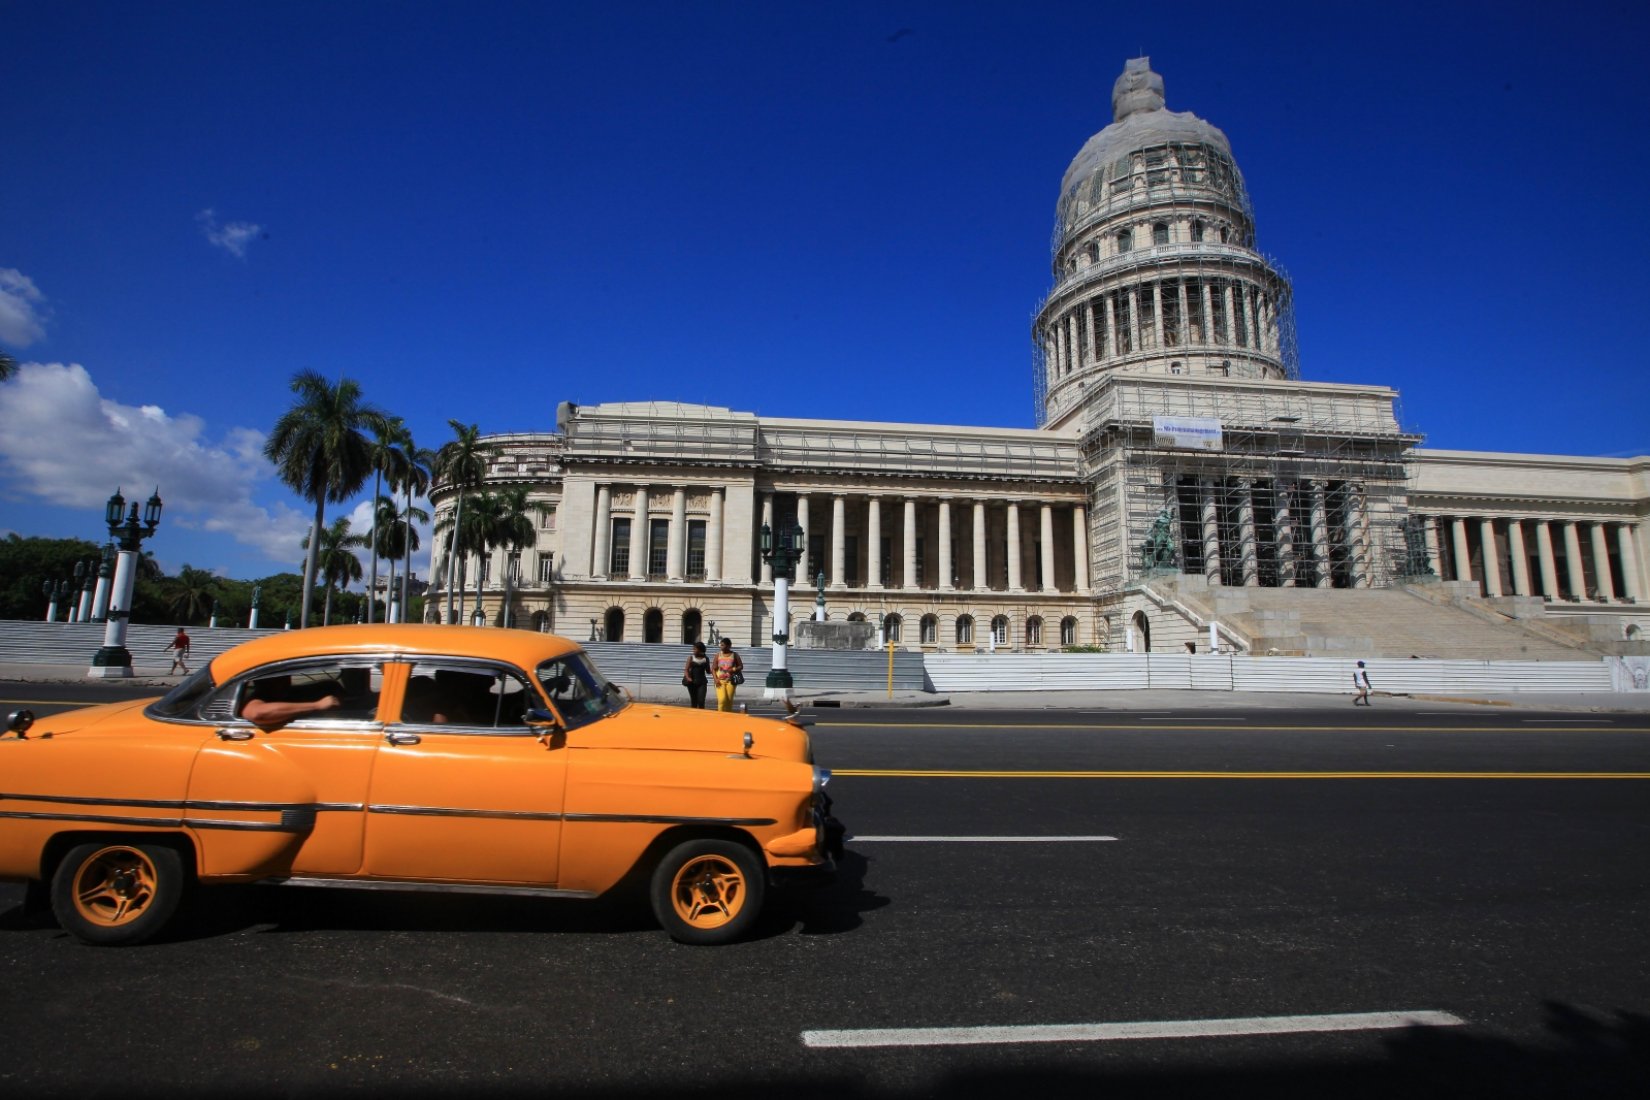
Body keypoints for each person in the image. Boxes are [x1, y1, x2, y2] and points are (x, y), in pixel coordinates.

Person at [238, 675, 341, 728]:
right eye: (278, 679)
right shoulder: (258, 698)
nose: (285, 681)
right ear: (262, 682)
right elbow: (259, 713)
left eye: (285, 677)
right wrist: (317, 705)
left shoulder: (288, 693)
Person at [711, 637, 743, 713]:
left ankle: (728, 718)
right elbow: (713, 668)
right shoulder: (718, 655)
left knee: (729, 700)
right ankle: (720, 717)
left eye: (723, 645)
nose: (721, 647)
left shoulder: (734, 655)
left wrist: (733, 669)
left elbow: (741, 666)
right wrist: (715, 679)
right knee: (722, 700)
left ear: (729, 646)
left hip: (730, 681)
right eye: (720, 645)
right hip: (720, 681)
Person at [682, 641, 710, 709]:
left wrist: (717, 670)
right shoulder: (691, 658)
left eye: (695, 649)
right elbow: (686, 669)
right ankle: (693, 718)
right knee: (694, 702)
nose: (693, 650)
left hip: (702, 683)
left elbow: (708, 671)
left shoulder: (706, 658)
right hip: (692, 683)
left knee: (701, 701)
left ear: (700, 649)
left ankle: (701, 718)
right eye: (693, 649)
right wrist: (688, 677)